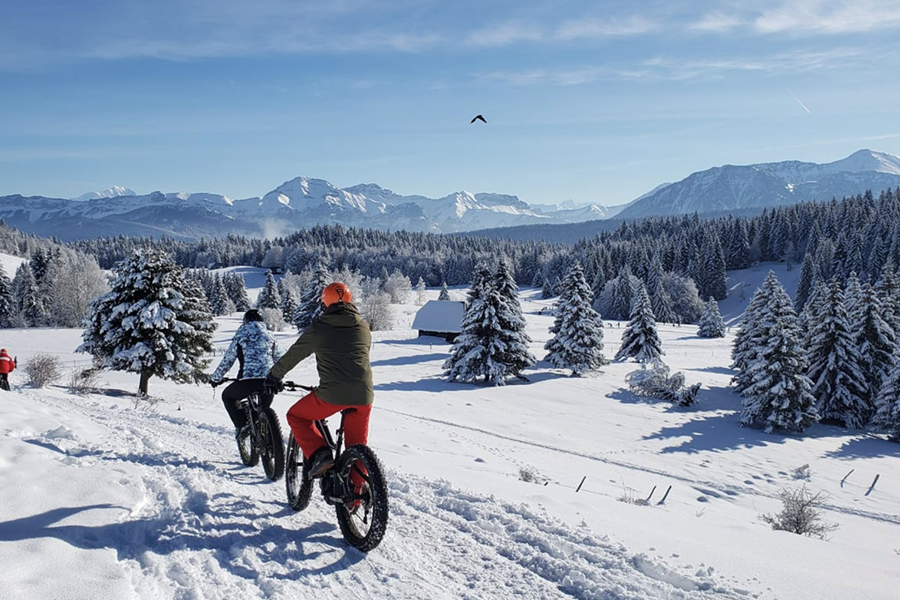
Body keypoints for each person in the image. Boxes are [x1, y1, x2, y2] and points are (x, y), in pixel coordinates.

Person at [265, 282, 373, 481]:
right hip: (363, 396)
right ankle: (356, 498)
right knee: (357, 449)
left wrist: (274, 376)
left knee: (297, 416)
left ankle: (320, 454)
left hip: (331, 395)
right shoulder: (363, 326)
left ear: (326, 303)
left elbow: (295, 354)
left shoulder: (321, 328)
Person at [210, 309, 283, 439]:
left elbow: (228, 360)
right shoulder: (270, 336)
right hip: (269, 381)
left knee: (228, 396)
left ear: (245, 321)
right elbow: (281, 358)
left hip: (246, 382)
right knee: (264, 409)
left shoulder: (241, 335)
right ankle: (269, 441)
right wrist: (279, 378)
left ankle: (242, 425)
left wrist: (216, 378)